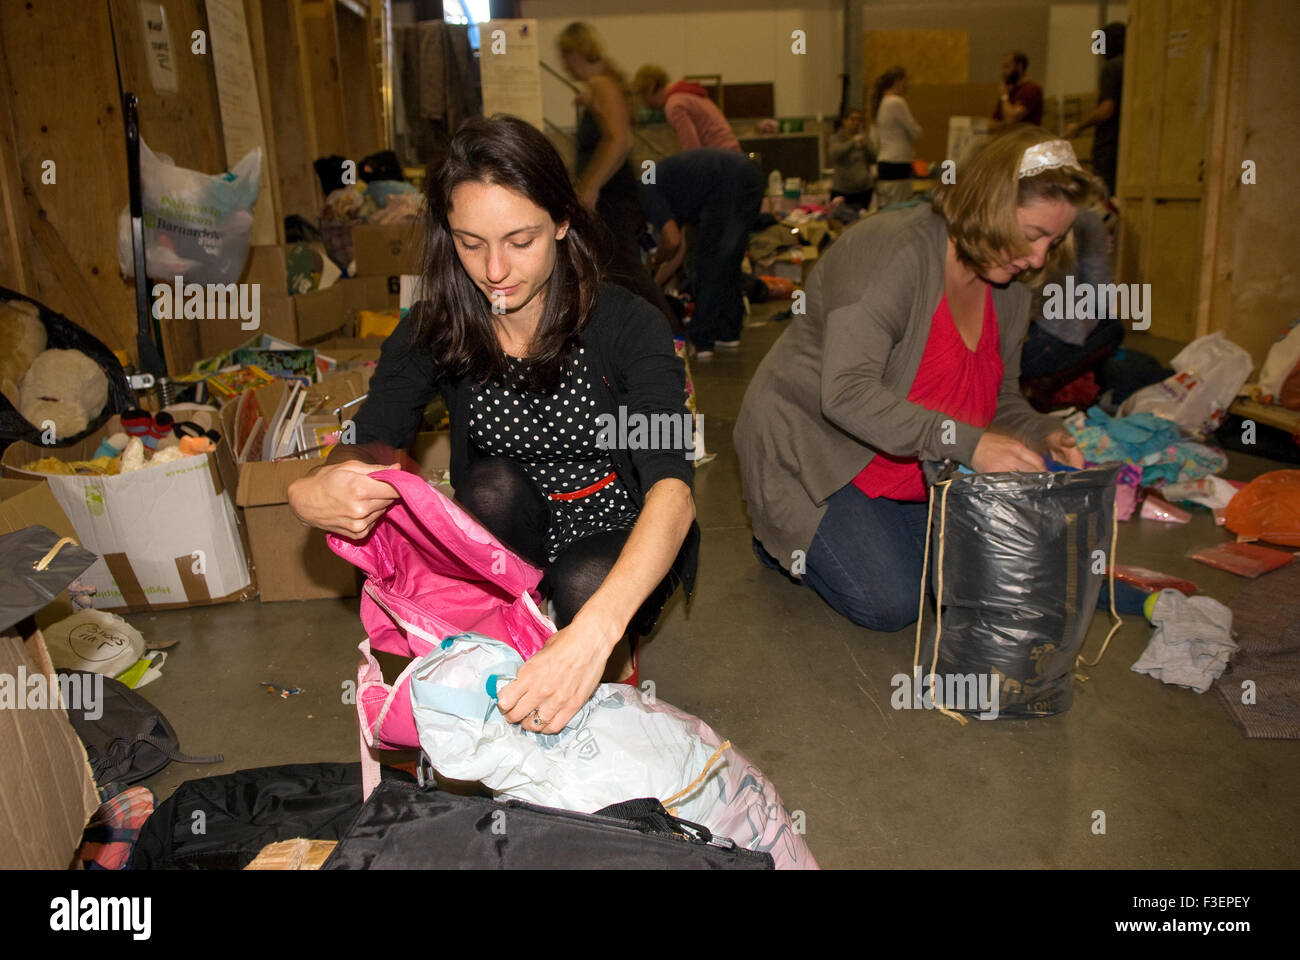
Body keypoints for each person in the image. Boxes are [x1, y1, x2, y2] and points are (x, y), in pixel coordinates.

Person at [287, 116, 699, 734]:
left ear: (561, 222)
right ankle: (515, 625)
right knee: (490, 487)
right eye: (471, 243)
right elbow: (373, 438)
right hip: (510, 522)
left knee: (588, 583)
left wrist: (595, 632)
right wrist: (311, 485)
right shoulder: (440, 325)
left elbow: (673, 488)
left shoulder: (626, 325)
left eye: (521, 239)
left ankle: (592, 639)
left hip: (615, 516)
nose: (496, 269)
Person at [734, 126, 1103, 632]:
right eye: (1034, 234)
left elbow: (999, 398)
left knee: (968, 580)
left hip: (913, 462)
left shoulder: (1010, 286)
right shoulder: (892, 252)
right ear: (990, 208)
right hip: (818, 454)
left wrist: (1039, 432)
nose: (1039, 258)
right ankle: (780, 533)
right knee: (893, 603)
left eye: (1054, 241)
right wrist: (970, 446)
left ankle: (862, 535)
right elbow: (846, 393)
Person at [557, 22, 681, 334]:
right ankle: (662, 340)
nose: (564, 64)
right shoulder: (603, 86)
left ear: (574, 54)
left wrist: (591, 188)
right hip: (611, 194)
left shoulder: (603, 85)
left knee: (626, 273)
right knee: (617, 272)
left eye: (565, 56)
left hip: (611, 196)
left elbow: (619, 141)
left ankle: (672, 339)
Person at [641, 149, 766, 358]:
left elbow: (671, 241)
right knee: (728, 260)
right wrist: (652, 286)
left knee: (708, 261)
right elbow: (679, 250)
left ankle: (702, 339)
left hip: (729, 182)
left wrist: (654, 261)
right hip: (750, 175)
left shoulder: (647, 191)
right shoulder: (666, 186)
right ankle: (727, 333)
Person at [1020, 205, 1125, 409]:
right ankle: (1040, 385)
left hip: (1002, 348)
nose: (1038, 257)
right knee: (1112, 327)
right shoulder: (1084, 220)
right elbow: (1101, 293)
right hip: (1038, 347)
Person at [1066, 22, 1125, 196]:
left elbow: (1106, 110)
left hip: (1108, 146)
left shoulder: (1111, 68)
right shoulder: (1132, 67)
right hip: (1124, 147)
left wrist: (1079, 126)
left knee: (1103, 198)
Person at [632, 65, 741, 152]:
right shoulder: (687, 94)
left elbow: (692, 149)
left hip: (719, 161)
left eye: (643, 96)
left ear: (651, 87)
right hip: (732, 155)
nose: (645, 104)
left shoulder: (674, 106)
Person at [870, 66, 922, 209]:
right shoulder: (896, 102)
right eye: (906, 82)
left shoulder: (881, 102)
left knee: (887, 208)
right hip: (898, 162)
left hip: (885, 162)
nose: (908, 86)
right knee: (900, 209)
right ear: (899, 81)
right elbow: (915, 132)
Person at [828, 107, 876, 211]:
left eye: (859, 120)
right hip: (843, 189)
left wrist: (866, 145)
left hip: (863, 189)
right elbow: (835, 154)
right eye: (853, 119)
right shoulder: (836, 138)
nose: (856, 123)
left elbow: (874, 158)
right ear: (845, 121)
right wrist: (852, 143)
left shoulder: (864, 138)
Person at [991, 51, 1044, 128]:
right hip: (1006, 136)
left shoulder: (1031, 89)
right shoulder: (1009, 91)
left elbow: (1011, 118)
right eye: (1002, 67)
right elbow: (994, 121)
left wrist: (1004, 96)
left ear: (1019, 67)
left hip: (1025, 138)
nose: (1003, 72)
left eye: (1007, 67)